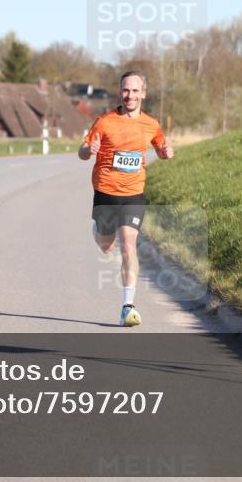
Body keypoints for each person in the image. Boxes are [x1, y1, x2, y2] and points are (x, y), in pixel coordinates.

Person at [79, 70, 173, 327]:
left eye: (135, 90)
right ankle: (99, 230)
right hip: (106, 192)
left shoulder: (151, 124)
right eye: (125, 90)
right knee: (106, 244)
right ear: (120, 92)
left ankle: (127, 307)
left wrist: (166, 152)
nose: (129, 95)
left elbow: (162, 148)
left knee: (128, 245)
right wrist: (89, 149)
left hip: (133, 193)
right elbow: (82, 152)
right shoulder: (105, 122)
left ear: (143, 93)